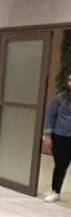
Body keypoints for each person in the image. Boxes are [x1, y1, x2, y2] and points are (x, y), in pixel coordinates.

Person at [42, 70, 71, 203]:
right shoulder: (59, 98)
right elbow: (51, 117)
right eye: (69, 80)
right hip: (60, 136)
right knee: (60, 165)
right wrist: (47, 136)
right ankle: (55, 191)